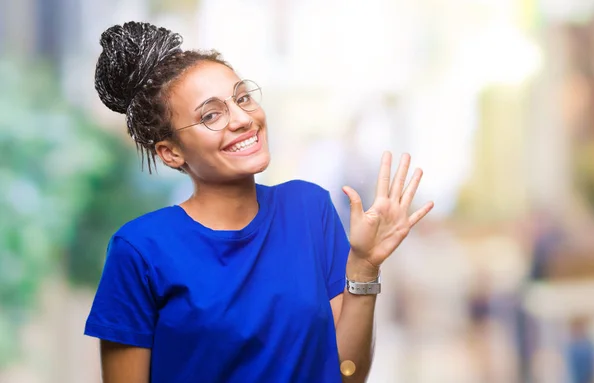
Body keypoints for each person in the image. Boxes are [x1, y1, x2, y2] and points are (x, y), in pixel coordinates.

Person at [84, 21, 434, 383]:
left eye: (242, 98)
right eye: (211, 115)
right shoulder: (140, 249)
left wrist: (363, 266)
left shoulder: (308, 209)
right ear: (170, 152)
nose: (242, 119)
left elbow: (347, 375)